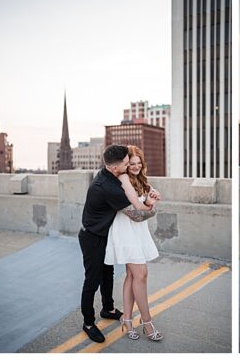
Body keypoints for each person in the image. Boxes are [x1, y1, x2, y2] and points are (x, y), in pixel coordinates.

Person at [79, 145, 160, 343]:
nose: (130, 165)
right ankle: (88, 323)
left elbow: (136, 185)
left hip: (106, 232)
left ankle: (108, 309)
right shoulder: (108, 187)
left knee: (108, 274)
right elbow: (137, 216)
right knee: (93, 280)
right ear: (115, 168)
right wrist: (153, 208)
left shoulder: (110, 173)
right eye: (126, 163)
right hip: (93, 236)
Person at [105, 146, 164, 341]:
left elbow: (146, 205)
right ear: (125, 165)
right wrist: (150, 204)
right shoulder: (122, 179)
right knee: (141, 273)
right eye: (132, 164)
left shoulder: (140, 180)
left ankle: (127, 320)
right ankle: (147, 322)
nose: (136, 167)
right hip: (125, 231)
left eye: (139, 163)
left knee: (132, 275)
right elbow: (139, 211)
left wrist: (151, 198)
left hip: (137, 231)